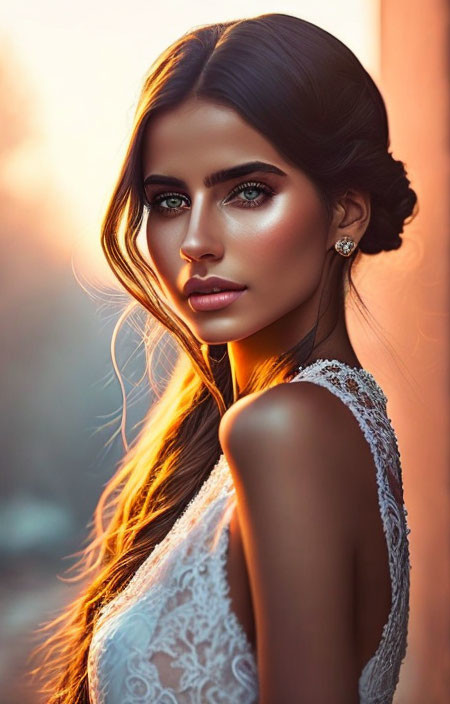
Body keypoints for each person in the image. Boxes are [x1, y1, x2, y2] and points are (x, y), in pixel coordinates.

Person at [32, 12, 417, 704]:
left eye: (247, 192)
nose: (195, 241)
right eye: (169, 200)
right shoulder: (320, 419)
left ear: (346, 214)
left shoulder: (287, 430)